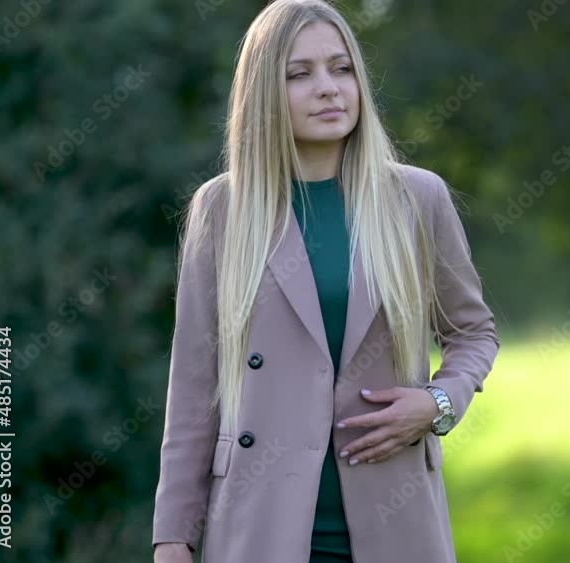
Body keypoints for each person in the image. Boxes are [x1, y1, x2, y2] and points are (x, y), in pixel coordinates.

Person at [151, 1, 500, 562]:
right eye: (300, 74)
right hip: (258, 528)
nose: (329, 88)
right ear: (263, 93)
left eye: (342, 69)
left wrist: (438, 402)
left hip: (396, 517)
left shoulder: (417, 199)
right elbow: (194, 385)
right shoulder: (222, 210)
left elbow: (473, 332)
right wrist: (172, 535)